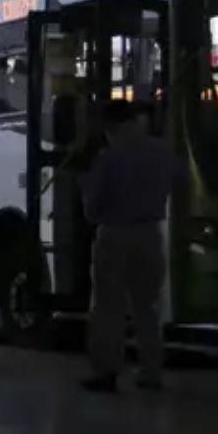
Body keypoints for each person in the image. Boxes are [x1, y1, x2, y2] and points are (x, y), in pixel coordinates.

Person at [80, 100, 184, 393]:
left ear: (109, 125)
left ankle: (107, 372)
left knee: (109, 307)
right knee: (147, 308)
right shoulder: (162, 151)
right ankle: (151, 372)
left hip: (114, 234)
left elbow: (91, 207)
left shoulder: (108, 157)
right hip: (151, 234)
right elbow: (178, 183)